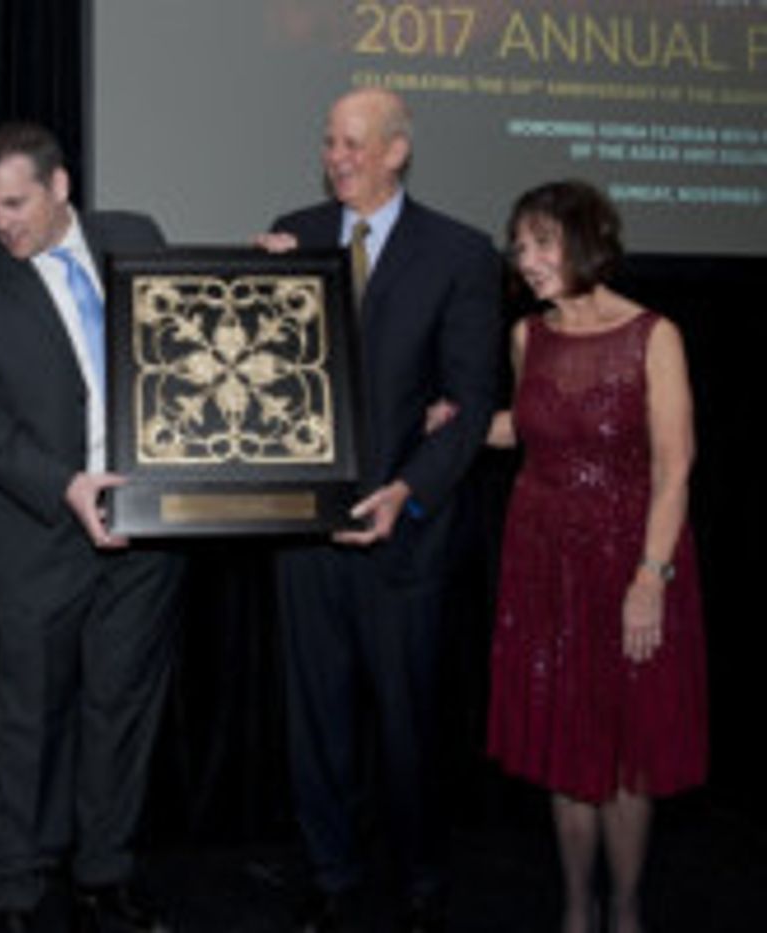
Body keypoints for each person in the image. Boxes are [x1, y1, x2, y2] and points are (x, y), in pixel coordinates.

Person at [0, 122, 185, 933]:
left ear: (60, 186)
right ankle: (13, 886)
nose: (1, 222)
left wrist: (266, 272)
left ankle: (103, 872)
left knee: (121, 707)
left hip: (146, 533)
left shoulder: (135, 237)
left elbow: (187, 336)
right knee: (27, 715)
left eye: (15, 202)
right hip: (38, 534)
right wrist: (64, 485)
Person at [257, 88, 502, 933]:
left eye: (354, 143)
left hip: (408, 531)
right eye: (328, 142)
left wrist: (411, 489)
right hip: (307, 529)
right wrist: (255, 287)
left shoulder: (460, 252)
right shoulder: (297, 230)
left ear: (397, 151)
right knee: (316, 718)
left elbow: (470, 401)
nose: (337, 157)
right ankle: (331, 872)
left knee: (410, 721)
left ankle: (423, 875)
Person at [485, 180, 706, 933]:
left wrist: (652, 576)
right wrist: (459, 425)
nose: (528, 259)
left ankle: (627, 909)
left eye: (542, 242)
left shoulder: (654, 334)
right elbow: (534, 423)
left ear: (585, 242)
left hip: (632, 562)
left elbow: (675, 466)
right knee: (564, 743)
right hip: (544, 562)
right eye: (520, 246)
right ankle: (577, 909)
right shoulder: (527, 336)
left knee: (624, 751)